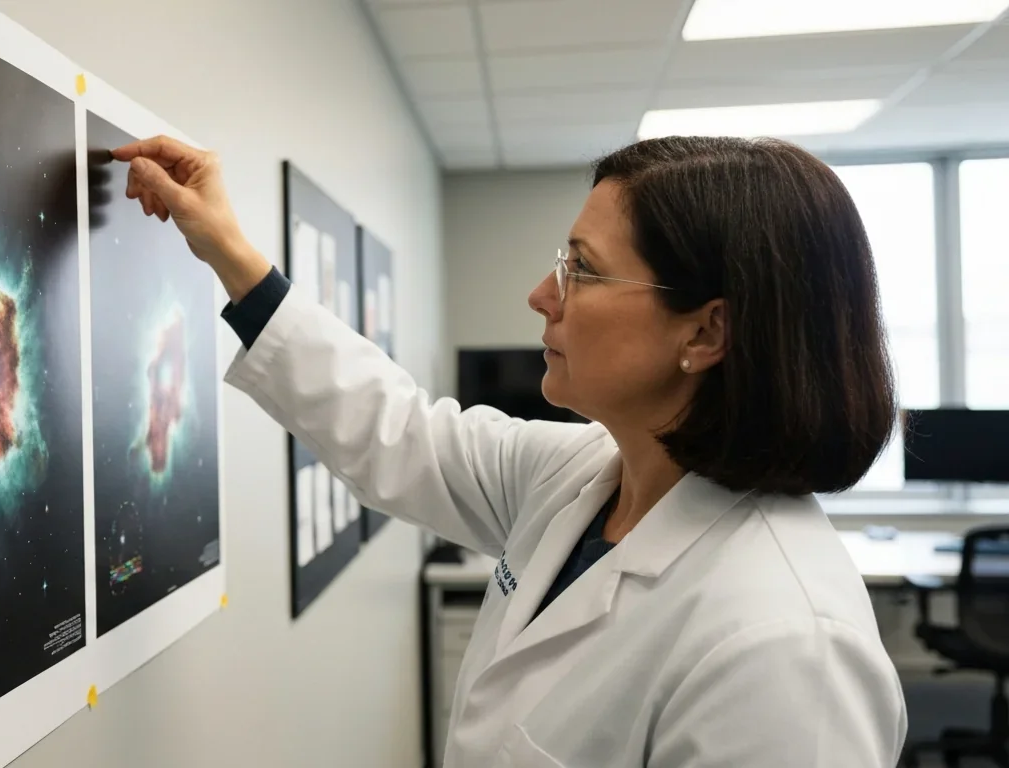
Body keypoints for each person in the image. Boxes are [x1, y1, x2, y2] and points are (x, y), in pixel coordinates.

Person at [110, 135, 908, 767]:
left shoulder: (786, 648)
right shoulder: (583, 476)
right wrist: (227, 250)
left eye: (581, 270)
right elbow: (399, 431)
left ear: (705, 332)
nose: (541, 295)